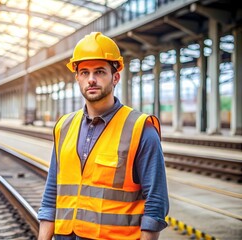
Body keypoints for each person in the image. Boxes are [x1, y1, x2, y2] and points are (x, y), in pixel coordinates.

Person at [37, 32, 169, 240]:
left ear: (115, 77)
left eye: (99, 72)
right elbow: (52, 191)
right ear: (77, 77)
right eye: (84, 72)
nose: (91, 80)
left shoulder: (140, 129)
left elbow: (156, 202)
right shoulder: (64, 127)